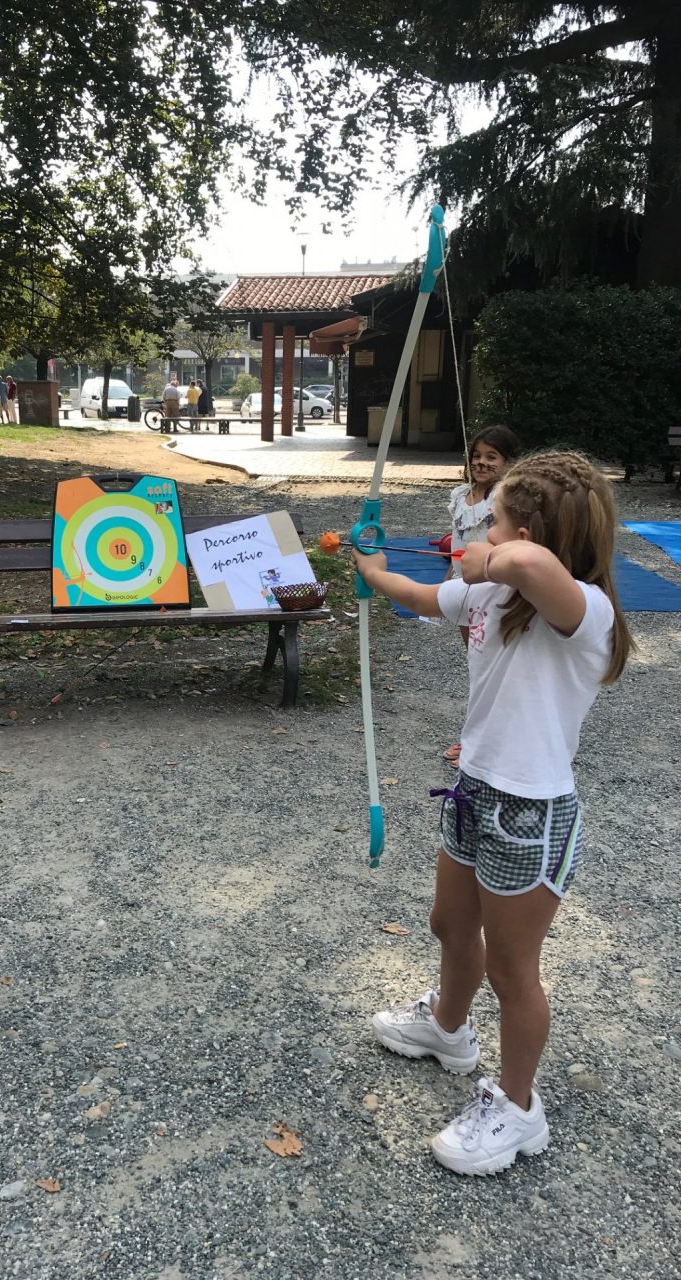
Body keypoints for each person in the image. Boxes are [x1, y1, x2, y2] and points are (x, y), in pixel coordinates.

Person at [352, 450, 633, 1176]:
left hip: (532, 812)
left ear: (531, 533)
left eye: (496, 519)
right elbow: (419, 598)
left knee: (514, 971)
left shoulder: (585, 608)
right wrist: (373, 568)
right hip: (475, 788)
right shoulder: (490, 594)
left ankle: (517, 1108)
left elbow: (535, 573)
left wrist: (493, 559)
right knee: (449, 923)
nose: (482, 527)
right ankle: (447, 1028)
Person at [443, 425, 522, 767]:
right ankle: (478, 736)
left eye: (492, 457)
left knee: (493, 666)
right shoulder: (461, 494)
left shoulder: (506, 497)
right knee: (478, 666)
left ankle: (486, 741)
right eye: (477, 456)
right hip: (464, 589)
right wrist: (449, 573)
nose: (482, 463)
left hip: (493, 589)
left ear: (509, 462)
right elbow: (456, 537)